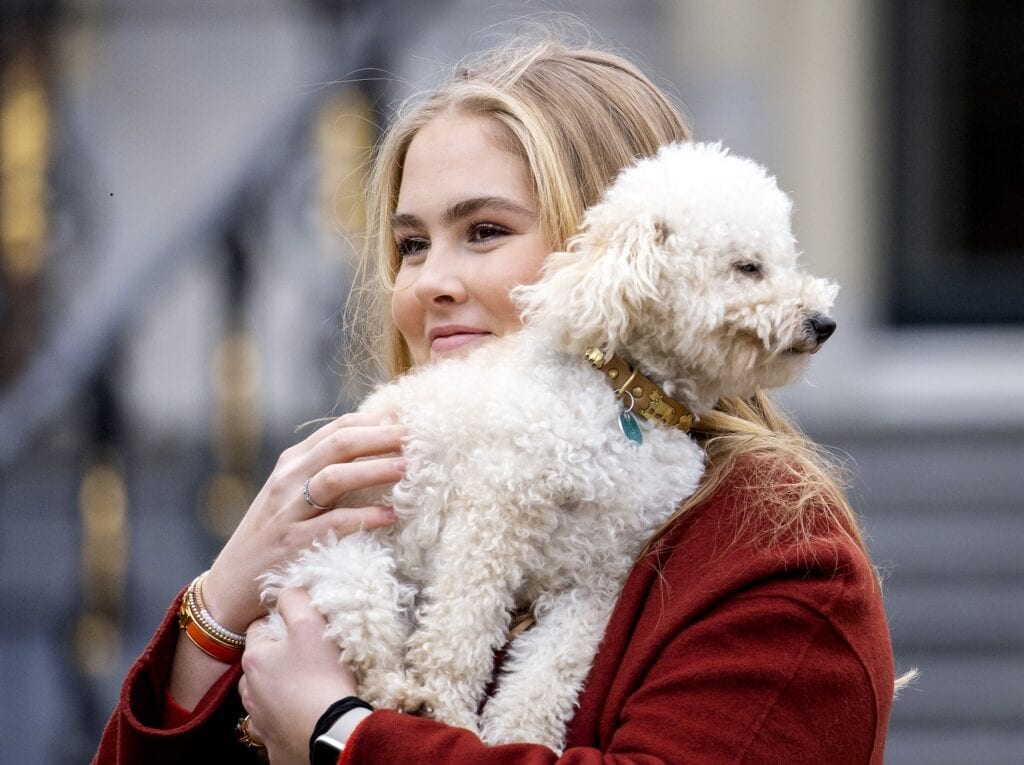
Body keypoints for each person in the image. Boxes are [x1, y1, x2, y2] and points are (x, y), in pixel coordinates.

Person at [93, 35, 896, 765]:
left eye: (484, 231)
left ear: (622, 253)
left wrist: (344, 732)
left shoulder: (779, 555)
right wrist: (220, 605)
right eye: (411, 244)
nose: (429, 283)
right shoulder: (382, 506)